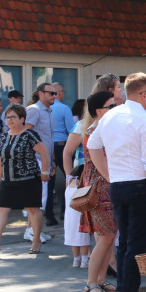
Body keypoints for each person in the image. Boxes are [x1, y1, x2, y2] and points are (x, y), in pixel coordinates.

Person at [88, 73, 146, 292]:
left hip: (119, 185)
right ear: (143, 94)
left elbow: (92, 145)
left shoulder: (110, 115)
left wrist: (109, 175)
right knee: (135, 245)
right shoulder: (145, 120)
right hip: (138, 185)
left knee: (125, 245)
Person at [0, 104, 51, 256]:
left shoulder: (29, 135)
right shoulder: (5, 136)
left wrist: (45, 171)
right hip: (8, 180)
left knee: (33, 209)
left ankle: (36, 240)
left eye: (13, 117)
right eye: (7, 117)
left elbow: (44, 153)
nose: (9, 120)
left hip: (29, 179)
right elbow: (1, 159)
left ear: (22, 119)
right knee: (1, 210)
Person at [75, 92, 120, 292]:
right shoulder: (95, 132)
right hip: (100, 191)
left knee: (108, 238)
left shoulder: (101, 129)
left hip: (105, 190)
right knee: (104, 238)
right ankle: (91, 283)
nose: (115, 109)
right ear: (99, 110)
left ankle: (100, 280)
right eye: (111, 106)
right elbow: (103, 170)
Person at [62, 99, 93, 271]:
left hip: (98, 178)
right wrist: (68, 177)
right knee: (76, 219)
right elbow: (67, 152)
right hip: (80, 178)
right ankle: (79, 257)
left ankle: (86, 257)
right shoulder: (81, 126)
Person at [26, 83, 59, 226]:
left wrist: (52, 161)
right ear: (41, 93)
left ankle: (33, 231)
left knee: (40, 198)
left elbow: (48, 139)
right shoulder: (34, 110)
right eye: (51, 93)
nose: (54, 96)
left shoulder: (48, 111)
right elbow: (25, 134)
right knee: (37, 198)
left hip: (45, 160)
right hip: (36, 160)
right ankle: (32, 232)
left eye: (55, 93)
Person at [50, 82, 76, 222]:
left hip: (48, 146)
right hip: (62, 146)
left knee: (49, 181)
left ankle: (48, 214)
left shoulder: (45, 109)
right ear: (59, 92)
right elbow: (72, 129)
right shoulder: (64, 108)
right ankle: (65, 211)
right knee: (70, 177)